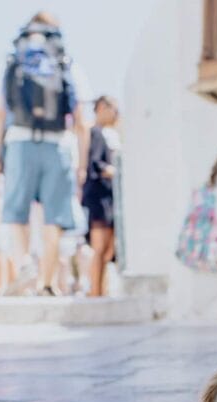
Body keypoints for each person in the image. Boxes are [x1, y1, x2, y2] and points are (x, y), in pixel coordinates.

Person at [0, 11, 89, 296]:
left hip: (21, 140)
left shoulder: (15, 60)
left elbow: (1, 112)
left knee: (17, 211)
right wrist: (81, 165)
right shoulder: (65, 63)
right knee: (54, 216)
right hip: (57, 143)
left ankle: (24, 261)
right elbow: (81, 120)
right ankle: (47, 282)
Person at [82, 96, 120, 297]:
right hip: (99, 198)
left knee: (106, 249)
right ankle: (95, 291)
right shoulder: (96, 133)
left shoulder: (104, 134)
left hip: (105, 198)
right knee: (99, 247)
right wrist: (117, 171)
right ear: (102, 108)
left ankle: (99, 290)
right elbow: (96, 165)